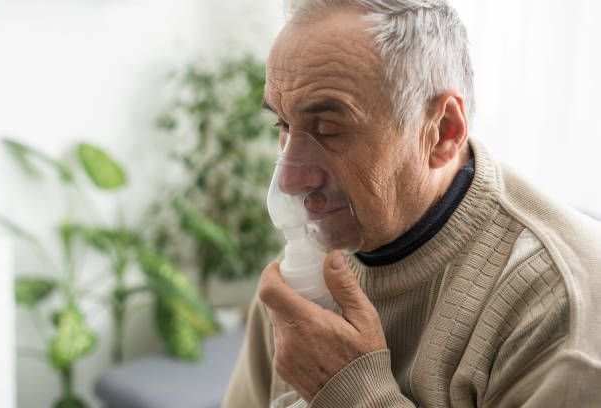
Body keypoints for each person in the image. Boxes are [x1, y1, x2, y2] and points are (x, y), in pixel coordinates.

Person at [224, 1, 601, 407]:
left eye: (330, 130)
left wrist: (353, 393)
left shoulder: (560, 317)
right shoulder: (311, 265)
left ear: (442, 131)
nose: (289, 179)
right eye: (283, 125)